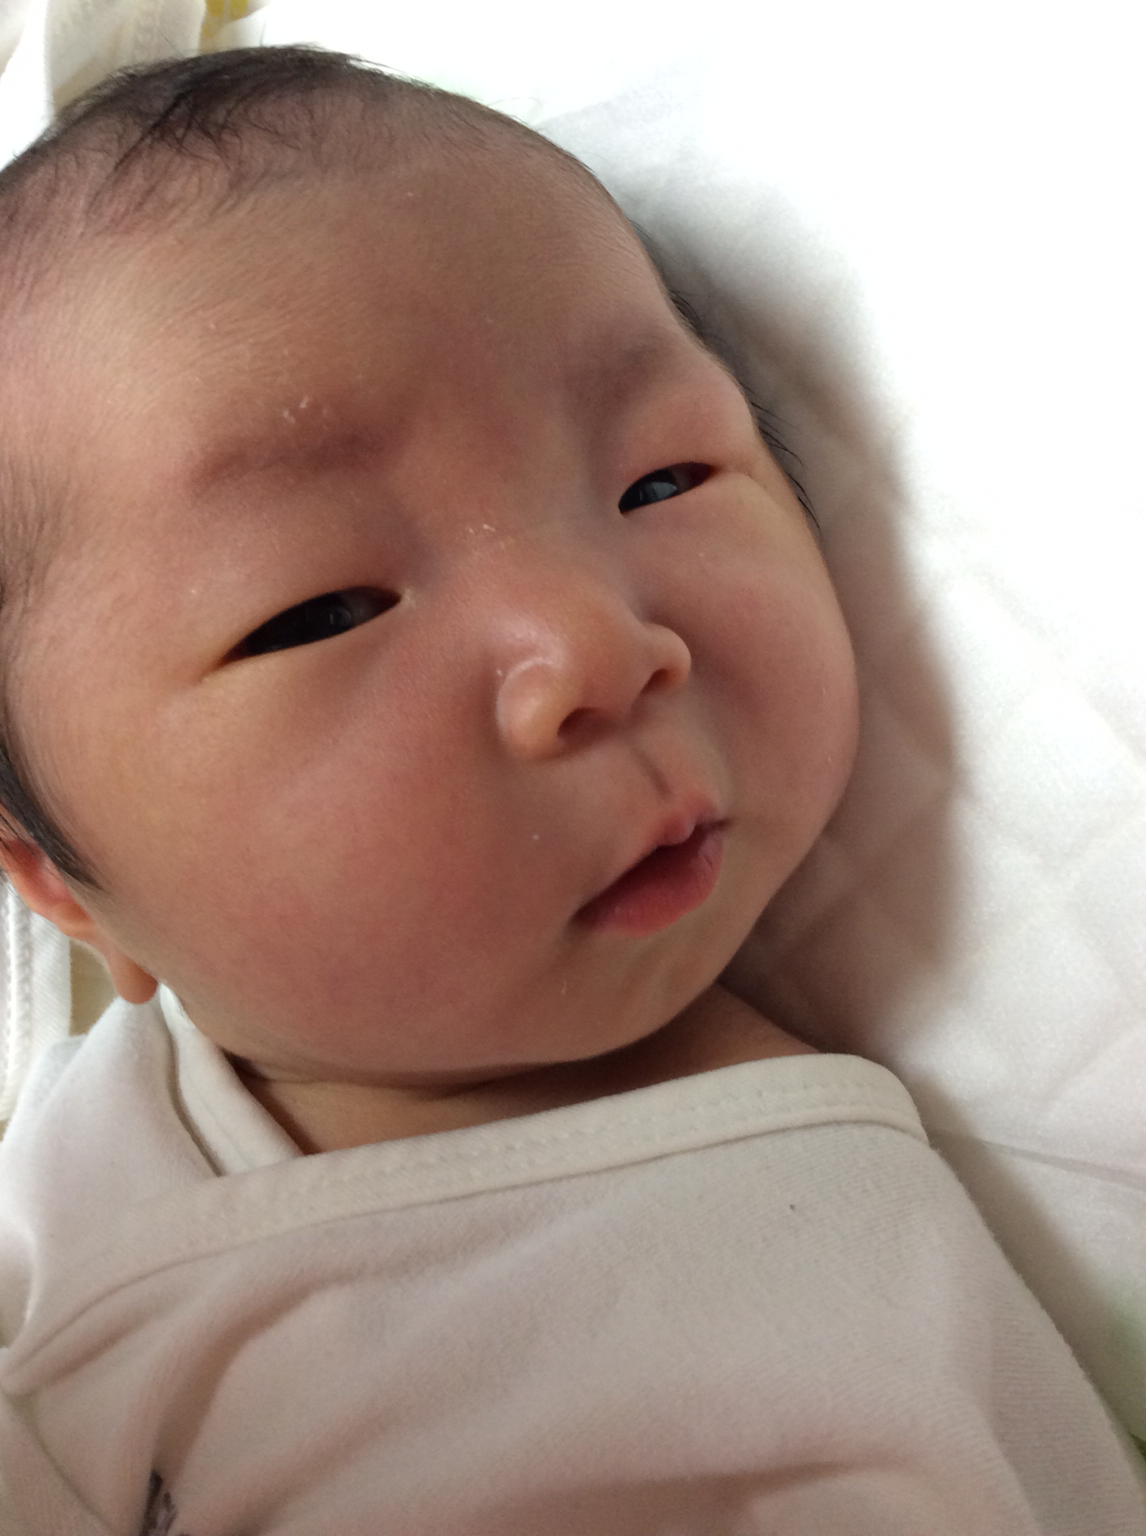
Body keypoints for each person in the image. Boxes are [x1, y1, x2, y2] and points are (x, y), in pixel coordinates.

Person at [0, 45, 1141, 1536]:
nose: (597, 647)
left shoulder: (846, 1299)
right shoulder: (67, 1187)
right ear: (62, 884)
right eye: (323, 612)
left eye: (658, 481)